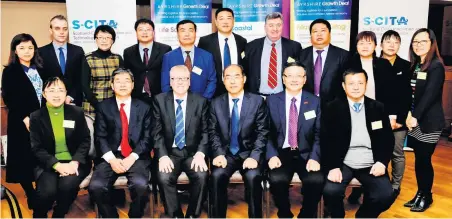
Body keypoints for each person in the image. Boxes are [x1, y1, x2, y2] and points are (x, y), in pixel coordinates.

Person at [322, 69, 394, 218]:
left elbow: (387, 139)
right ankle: (337, 215)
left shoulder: (377, 107)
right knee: (330, 192)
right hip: (343, 161)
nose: (356, 87)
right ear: (343, 86)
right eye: (351, 83)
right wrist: (333, 166)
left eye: (360, 83)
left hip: (370, 161)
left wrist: (382, 162)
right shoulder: (332, 108)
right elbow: (325, 140)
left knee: (385, 195)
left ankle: (363, 215)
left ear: (366, 84)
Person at [88, 68, 152, 218]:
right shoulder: (103, 107)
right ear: (112, 85)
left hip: (136, 155)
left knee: (141, 186)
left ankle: (135, 215)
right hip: (111, 155)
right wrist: (111, 159)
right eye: (118, 81)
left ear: (133, 85)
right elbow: (100, 137)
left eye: (126, 81)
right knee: (96, 187)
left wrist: (133, 157)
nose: (122, 85)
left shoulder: (144, 107)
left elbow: (148, 138)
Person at [209, 64, 269, 218]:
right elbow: (213, 132)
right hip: (226, 154)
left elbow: (262, 132)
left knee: (253, 176)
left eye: (236, 76)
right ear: (223, 80)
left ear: (244, 79)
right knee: (216, 176)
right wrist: (218, 153)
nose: (232, 81)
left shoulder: (257, 101)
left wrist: (254, 157)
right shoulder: (216, 103)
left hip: (249, 153)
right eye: (228, 77)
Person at [266, 62, 324, 218]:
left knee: (316, 180)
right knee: (277, 179)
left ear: (305, 79)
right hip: (281, 152)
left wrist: (314, 157)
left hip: (306, 153)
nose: (294, 79)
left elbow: (319, 133)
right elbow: (266, 132)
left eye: (299, 75)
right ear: (283, 79)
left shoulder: (315, 102)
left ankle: (306, 214)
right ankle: (284, 213)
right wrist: (271, 155)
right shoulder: (272, 101)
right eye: (289, 75)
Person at [347, 31, 398, 204]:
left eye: (369, 43)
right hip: (355, 110)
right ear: (356, 46)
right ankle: (357, 190)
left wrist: (391, 115)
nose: (365, 46)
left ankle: (371, 190)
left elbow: (393, 93)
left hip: (377, 113)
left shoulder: (383, 64)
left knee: (376, 146)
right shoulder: (349, 63)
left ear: (376, 46)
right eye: (361, 43)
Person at [152, 65, 209, 218]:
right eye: (175, 79)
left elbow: (206, 132)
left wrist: (200, 154)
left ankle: (192, 214)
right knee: (164, 177)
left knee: (202, 175)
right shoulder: (159, 100)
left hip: (192, 153)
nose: (180, 82)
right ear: (170, 81)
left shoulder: (201, 101)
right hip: (170, 153)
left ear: (189, 81)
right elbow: (156, 133)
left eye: (184, 78)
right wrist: (162, 156)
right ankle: (175, 214)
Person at [30, 77, 91, 218]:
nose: (56, 94)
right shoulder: (36, 117)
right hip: (48, 163)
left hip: (74, 162)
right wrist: (57, 165)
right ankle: (39, 214)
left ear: (66, 93)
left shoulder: (76, 112)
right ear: (44, 94)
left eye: (60, 90)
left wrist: (74, 162)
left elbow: (85, 140)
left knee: (67, 186)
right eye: (51, 91)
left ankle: (59, 213)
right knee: (46, 192)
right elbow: (37, 148)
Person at [403, 28, 446, 212]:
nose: (419, 45)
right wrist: (407, 114)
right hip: (414, 120)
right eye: (415, 42)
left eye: (423, 41)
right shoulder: (416, 65)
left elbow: (430, 95)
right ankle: (420, 194)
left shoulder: (436, 65)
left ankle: (426, 196)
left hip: (428, 123)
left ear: (432, 43)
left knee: (424, 160)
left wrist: (415, 117)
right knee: (419, 160)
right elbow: (409, 95)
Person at [1, 33, 44, 209]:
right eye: (22, 48)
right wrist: (25, 118)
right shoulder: (10, 71)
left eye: (30, 47)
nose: (27, 51)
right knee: (24, 159)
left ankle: (43, 190)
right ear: (15, 51)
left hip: (43, 120)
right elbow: (9, 97)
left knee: (41, 156)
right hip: (22, 121)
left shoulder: (41, 68)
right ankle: (30, 193)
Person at [379, 30, 412, 199]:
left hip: (399, 120)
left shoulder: (407, 66)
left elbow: (407, 96)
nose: (392, 45)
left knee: (397, 153)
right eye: (388, 41)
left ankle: (395, 185)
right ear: (381, 44)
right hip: (378, 119)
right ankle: (374, 184)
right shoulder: (374, 64)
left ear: (400, 45)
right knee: (376, 152)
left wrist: (399, 119)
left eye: (396, 42)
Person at [243, 12, 302, 96]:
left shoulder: (294, 47)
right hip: (258, 98)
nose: (275, 29)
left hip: (284, 97)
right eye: (271, 25)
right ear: (265, 27)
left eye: (278, 25)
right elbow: (245, 72)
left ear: (282, 26)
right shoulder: (251, 46)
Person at [198, 8, 247, 97]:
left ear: (233, 21)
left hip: (237, 89)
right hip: (213, 92)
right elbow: (201, 67)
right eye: (221, 19)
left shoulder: (242, 41)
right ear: (216, 22)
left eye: (228, 18)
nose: (225, 22)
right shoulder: (205, 42)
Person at [299, 19, 349, 106]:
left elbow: (347, 82)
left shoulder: (343, 55)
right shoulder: (301, 55)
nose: (319, 34)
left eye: (323, 31)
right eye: (315, 31)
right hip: (306, 104)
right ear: (310, 35)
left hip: (334, 105)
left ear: (329, 33)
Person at [161, 20, 217, 99]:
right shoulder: (168, 57)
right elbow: (165, 84)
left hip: (203, 104)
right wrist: (173, 102)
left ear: (195, 33)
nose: (187, 34)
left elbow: (212, 81)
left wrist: (203, 101)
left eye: (190, 30)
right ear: (177, 34)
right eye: (183, 31)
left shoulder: (207, 56)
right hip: (177, 104)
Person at [39, 15, 85, 106]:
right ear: (51, 31)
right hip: (50, 103)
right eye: (57, 28)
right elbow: (40, 80)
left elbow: (82, 77)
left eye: (65, 29)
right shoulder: (40, 52)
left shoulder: (78, 51)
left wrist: (71, 96)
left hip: (74, 102)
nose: (62, 32)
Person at [124, 18, 172, 104]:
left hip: (160, 96)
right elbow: (127, 74)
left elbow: (169, 73)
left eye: (148, 30)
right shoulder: (128, 52)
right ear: (136, 33)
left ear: (153, 32)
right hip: (136, 97)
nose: (144, 32)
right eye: (141, 30)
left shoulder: (165, 49)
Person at [81, 25, 123, 118]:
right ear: (96, 39)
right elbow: (84, 85)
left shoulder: (118, 58)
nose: (104, 40)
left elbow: (121, 83)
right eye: (100, 37)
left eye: (107, 37)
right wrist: (98, 105)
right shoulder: (88, 58)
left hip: (113, 106)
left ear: (112, 41)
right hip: (92, 106)